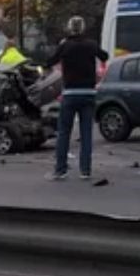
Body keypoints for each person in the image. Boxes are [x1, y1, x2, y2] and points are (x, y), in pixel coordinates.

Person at [46, 16, 108, 181]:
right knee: (86, 133)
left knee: (64, 132)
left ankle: (61, 169)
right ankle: (85, 170)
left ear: (69, 28)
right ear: (83, 28)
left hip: (70, 93)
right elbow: (104, 56)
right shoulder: (91, 44)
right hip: (88, 93)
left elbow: (50, 61)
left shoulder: (65, 45)